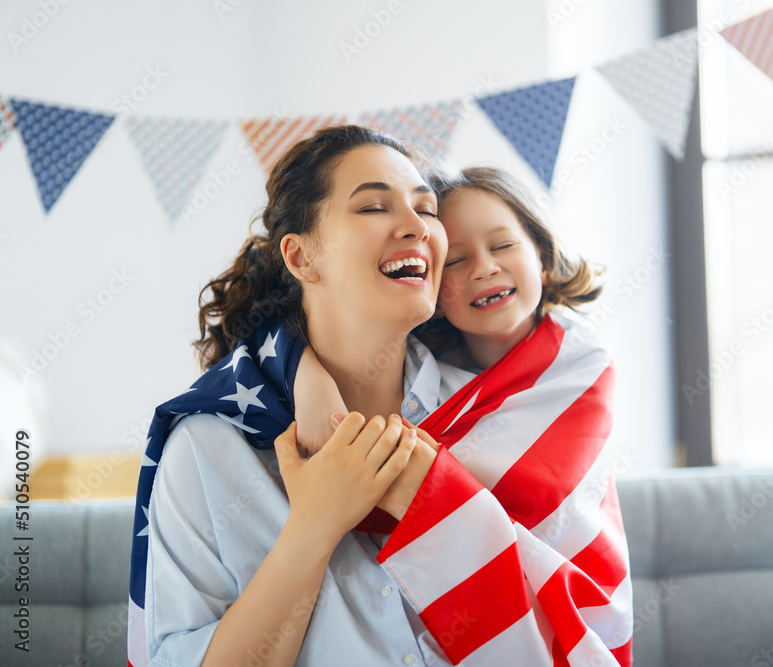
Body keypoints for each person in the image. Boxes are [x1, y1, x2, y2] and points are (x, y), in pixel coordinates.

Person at [128, 127, 632, 667]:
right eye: (373, 206)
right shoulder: (209, 448)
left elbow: (563, 630)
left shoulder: (500, 424)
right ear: (301, 259)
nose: (417, 226)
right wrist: (314, 527)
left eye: (426, 208)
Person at [293, 165, 633, 665]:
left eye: (502, 246)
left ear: (540, 255)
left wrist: (348, 484)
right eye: (455, 260)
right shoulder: (419, 373)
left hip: (567, 612)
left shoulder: (579, 364)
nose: (483, 269)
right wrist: (305, 370)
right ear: (428, 282)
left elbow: (515, 490)